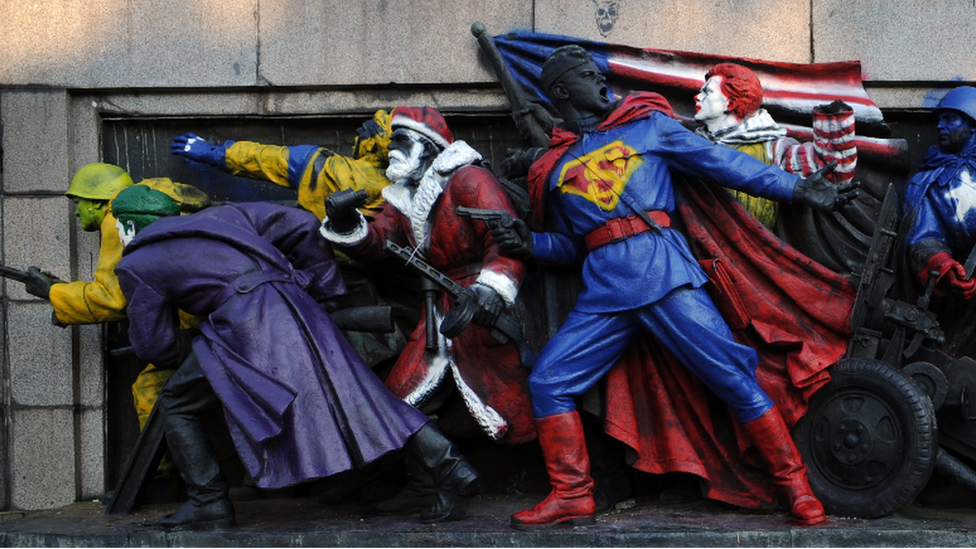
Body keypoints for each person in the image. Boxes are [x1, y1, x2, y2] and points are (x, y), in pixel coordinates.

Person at [490, 45, 859, 530]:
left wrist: (797, 188)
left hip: (664, 275)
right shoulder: (553, 166)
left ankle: (796, 487)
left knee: (732, 376)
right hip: (604, 292)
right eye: (586, 74)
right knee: (549, 383)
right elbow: (572, 247)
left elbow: (727, 165)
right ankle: (572, 494)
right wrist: (530, 244)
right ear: (561, 91)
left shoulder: (651, 126)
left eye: (597, 70)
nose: (600, 78)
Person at [111, 185, 479, 530]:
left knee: (177, 401)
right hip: (297, 306)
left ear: (129, 226)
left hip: (243, 326)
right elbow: (302, 223)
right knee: (360, 397)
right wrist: (322, 288)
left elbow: (154, 346)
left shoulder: (137, 263)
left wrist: (195, 341)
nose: (117, 236)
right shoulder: (222, 216)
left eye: (116, 228)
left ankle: (208, 501)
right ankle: (450, 468)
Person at [320, 106, 534, 513]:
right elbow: (380, 242)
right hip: (440, 308)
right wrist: (348, 223)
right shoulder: (404, 195)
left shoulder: (470, 178)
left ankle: (593, 478)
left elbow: (504, 239)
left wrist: (491, 291)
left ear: (428, 145)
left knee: (530, 395)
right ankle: (434, 485)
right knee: (399, 399)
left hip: (485, 303)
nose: (391, 150)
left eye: (401, 141)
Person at [171, 111, 409, 368]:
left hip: (304, 279)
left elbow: (265, 159)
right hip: (363, 289)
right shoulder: (407, 191)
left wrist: (213, 152)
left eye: (364, 131)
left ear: (371, 142)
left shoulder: (322, 165)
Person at [23, 163, 210, 432]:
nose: (76, 212)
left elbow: (114, 298)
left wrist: (53, 292)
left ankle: (164, 473)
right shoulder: (164, 202)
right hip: (212, 317)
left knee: (149, 392)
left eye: (79, 202)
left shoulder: (119, 216)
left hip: (199, 329)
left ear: (98, 202)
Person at [693, 63, 858, 229]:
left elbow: (831, 172)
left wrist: (833, 118)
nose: (697, 97)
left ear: (731, 103)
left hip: (751, 247)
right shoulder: (690, 145)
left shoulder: (772, 149)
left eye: (707, 92)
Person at [902, 86, 976, 301]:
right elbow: (925, 237)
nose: (940, 126)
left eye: (950, 119)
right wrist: (944, 268)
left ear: (972, 125)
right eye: (939, 120)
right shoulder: (924, 183)